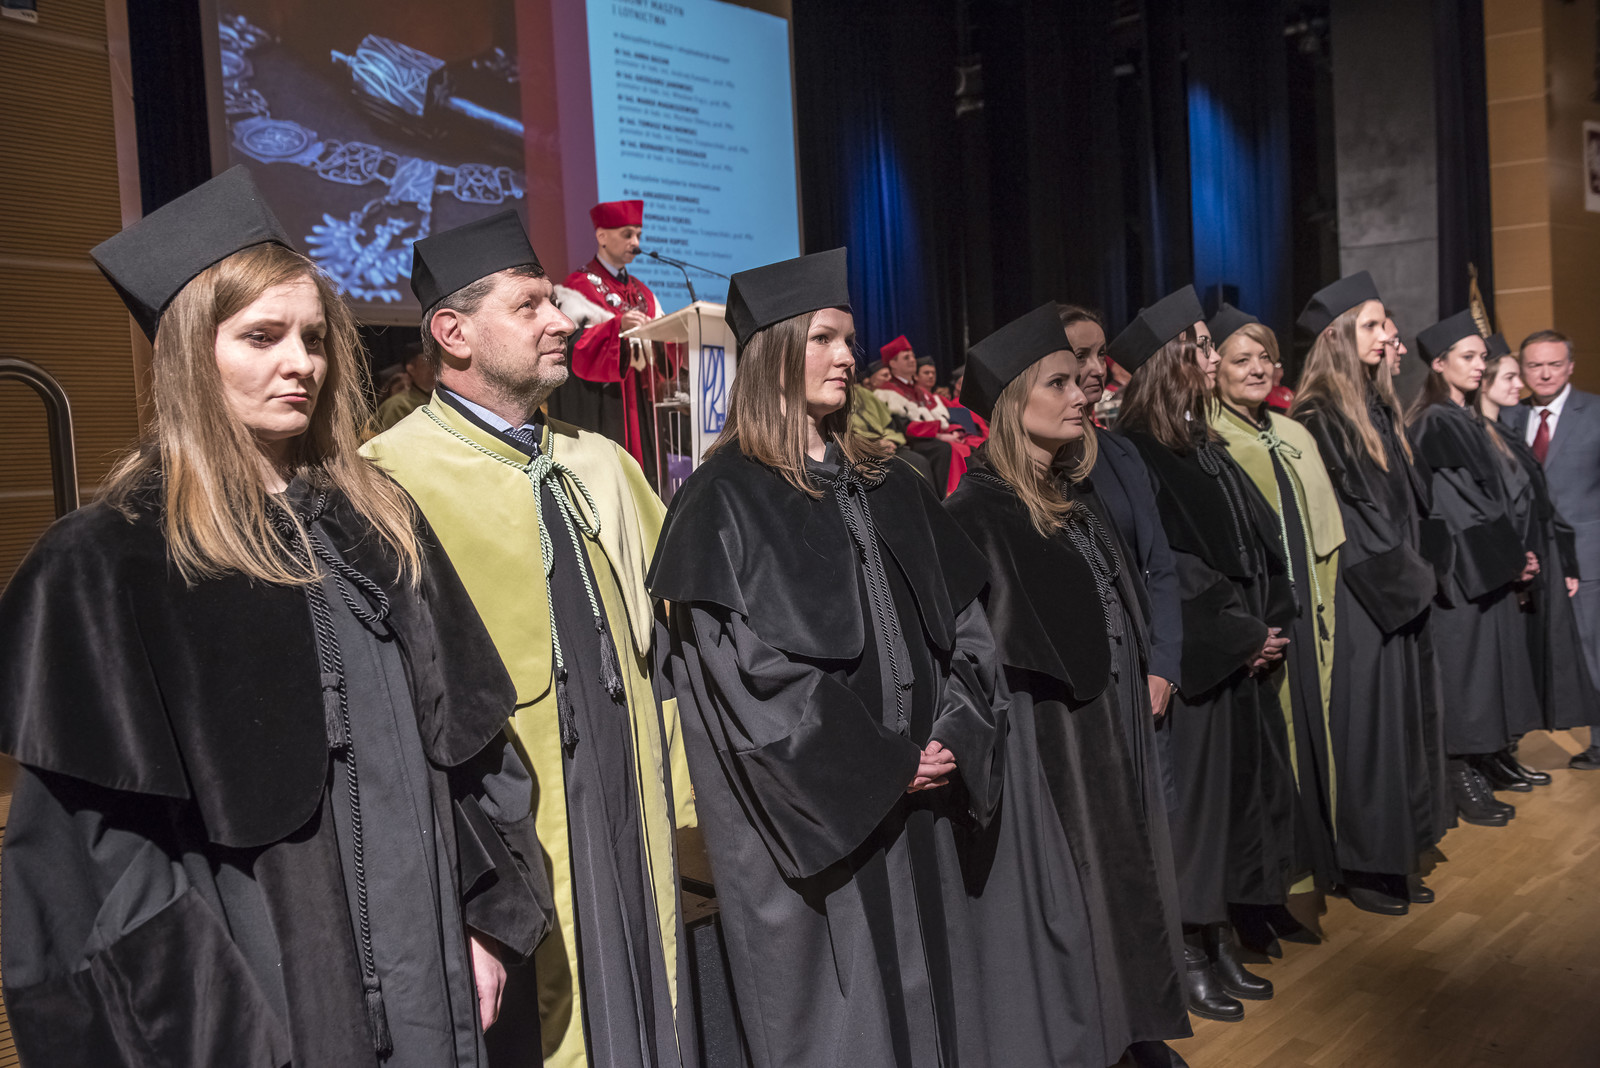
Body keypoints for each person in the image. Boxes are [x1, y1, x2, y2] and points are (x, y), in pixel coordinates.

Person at [0, 167, 552, 1067]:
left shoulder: (378, 523)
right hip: (265, 1002)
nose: (301, 363)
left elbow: (476, 747)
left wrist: (489, 919)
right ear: (191, 352)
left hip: (429, 976)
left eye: (313, 337)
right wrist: (220, 1033)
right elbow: (93, 868)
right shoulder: (111, 562)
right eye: (262, 336)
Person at [650, 249, 1006, 1068]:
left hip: (928, 792)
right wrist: (883, 765)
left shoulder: (895, 480)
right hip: (819, 817)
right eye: (823, 339)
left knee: (943, 1001)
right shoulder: (723, 500)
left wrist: (957, 727)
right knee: (850, 1021)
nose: (848, 356)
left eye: (849, 339)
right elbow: (747, 684)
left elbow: (969, 626)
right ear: (773, 352)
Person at [363, 209, 695, 1068]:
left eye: (554, 302)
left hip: (629, 791)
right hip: (515, 815)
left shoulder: (602, 463)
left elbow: (674, 639)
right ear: (453, 333)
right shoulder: (388, 480)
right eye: (531, 305)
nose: (562, 322)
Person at [950, 302, 1190, 1068]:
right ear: (1012, 401)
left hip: (1111, 716)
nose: (1081, 392)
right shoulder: (976, 514)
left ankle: (1134, 1030)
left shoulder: (1073, 496)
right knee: (1076, 893)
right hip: (1045, 735)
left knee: (1127, 875)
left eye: (1076, 379)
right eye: (1056, 383)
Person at [1113, 285, 1297, 1023]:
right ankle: (1188, 950)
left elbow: (1255, 543)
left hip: (1236, 651)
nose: (1213, 356)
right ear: (1170, 359)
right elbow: (1167, 570)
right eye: (1200, 344)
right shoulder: (1136, 450)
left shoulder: (1202, 443)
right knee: (1190, 814)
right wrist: (1240, 635)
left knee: (1230, 806)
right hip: (1197, 658)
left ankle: (1218, 936)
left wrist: (1265, 623)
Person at [1290, 273, 1452, 910]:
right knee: (1368, 731)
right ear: (1338, 337)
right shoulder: (1318, 418)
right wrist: (1412, 582)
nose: (1392, 335)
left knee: (1403, 725)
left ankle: (1397, 851)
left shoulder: (1378, 409)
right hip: (1365, 599)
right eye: (1375, 324)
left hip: (1399, 590)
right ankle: (1363, 864)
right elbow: (1350, 524)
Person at [1208, 306, 1343, 931]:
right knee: (1269, 755)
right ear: (1213, 370)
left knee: (1310, 743)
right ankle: (1269, 889)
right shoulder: (1210, 440)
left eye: (1265, 356)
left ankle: (1311, 872)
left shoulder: (1292, 433)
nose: (1258, 368)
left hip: (1310, 615)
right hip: (1257, 625)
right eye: (1242, 359)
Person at [1408, 312, 1544, 822]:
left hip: (1487, 567)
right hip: (1462, 572)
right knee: (1465, 674)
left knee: (1488, 671)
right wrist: (1511, 557)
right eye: (1467, 357)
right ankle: (1459, 771)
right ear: (1438, 364)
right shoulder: (1435, 421)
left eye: (1481, 356)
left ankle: (1486, 757)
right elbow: (1461, 507)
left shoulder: (1465, 417)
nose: (1478, 365)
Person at [1064, 303, 1184, 773]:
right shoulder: (1038, 467)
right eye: (1081, 356)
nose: (1097, 368)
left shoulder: (1122, 452)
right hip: (1084, 691)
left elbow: (1160, 566)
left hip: (1146, 676)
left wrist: (1164, 667)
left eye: (1101, 354)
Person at [1480, 348, 1600, 755]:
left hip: (1586, 552)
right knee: (1531, 647)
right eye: (1534, 366)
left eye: (1554, 364)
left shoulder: (1595, 412)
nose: (1544, 374)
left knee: (1592, 649)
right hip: (1529, 555)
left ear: (1571, 366)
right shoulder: (1507, 415)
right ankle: (1513, 742)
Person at [547, 199, 675, 474]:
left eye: (638, 234)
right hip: (605, 405)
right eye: (627, 234)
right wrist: (617, 327)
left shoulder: (644, 293)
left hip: (642, 405)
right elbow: (572, 348)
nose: (635, 243)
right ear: (602, 236)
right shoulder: (577, 288)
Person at [875, 334, 973, 496]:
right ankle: (946, 498)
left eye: (913, 356)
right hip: (909, 440)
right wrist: (940, 434)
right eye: (906, 357)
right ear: (893, 363)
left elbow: (941, 417)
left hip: (928, 436)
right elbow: (905, 427)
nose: (912, 360)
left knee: (965, 447)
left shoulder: (919, 390)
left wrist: (953, 431)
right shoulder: (888, 391)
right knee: (943, 449)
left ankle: (966, 494)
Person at [851, 358, 937, 487]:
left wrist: (891, 440)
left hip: (888, 443)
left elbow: (889, 423)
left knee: (919, 460)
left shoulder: (865, 394)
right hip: (863, 448)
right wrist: (875, 443)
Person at [372, 341, 437, 432]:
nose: (434, 369)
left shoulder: (438, 399)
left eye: (437, 363)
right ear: (411, 369)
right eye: (428, 363)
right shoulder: (398, 405)